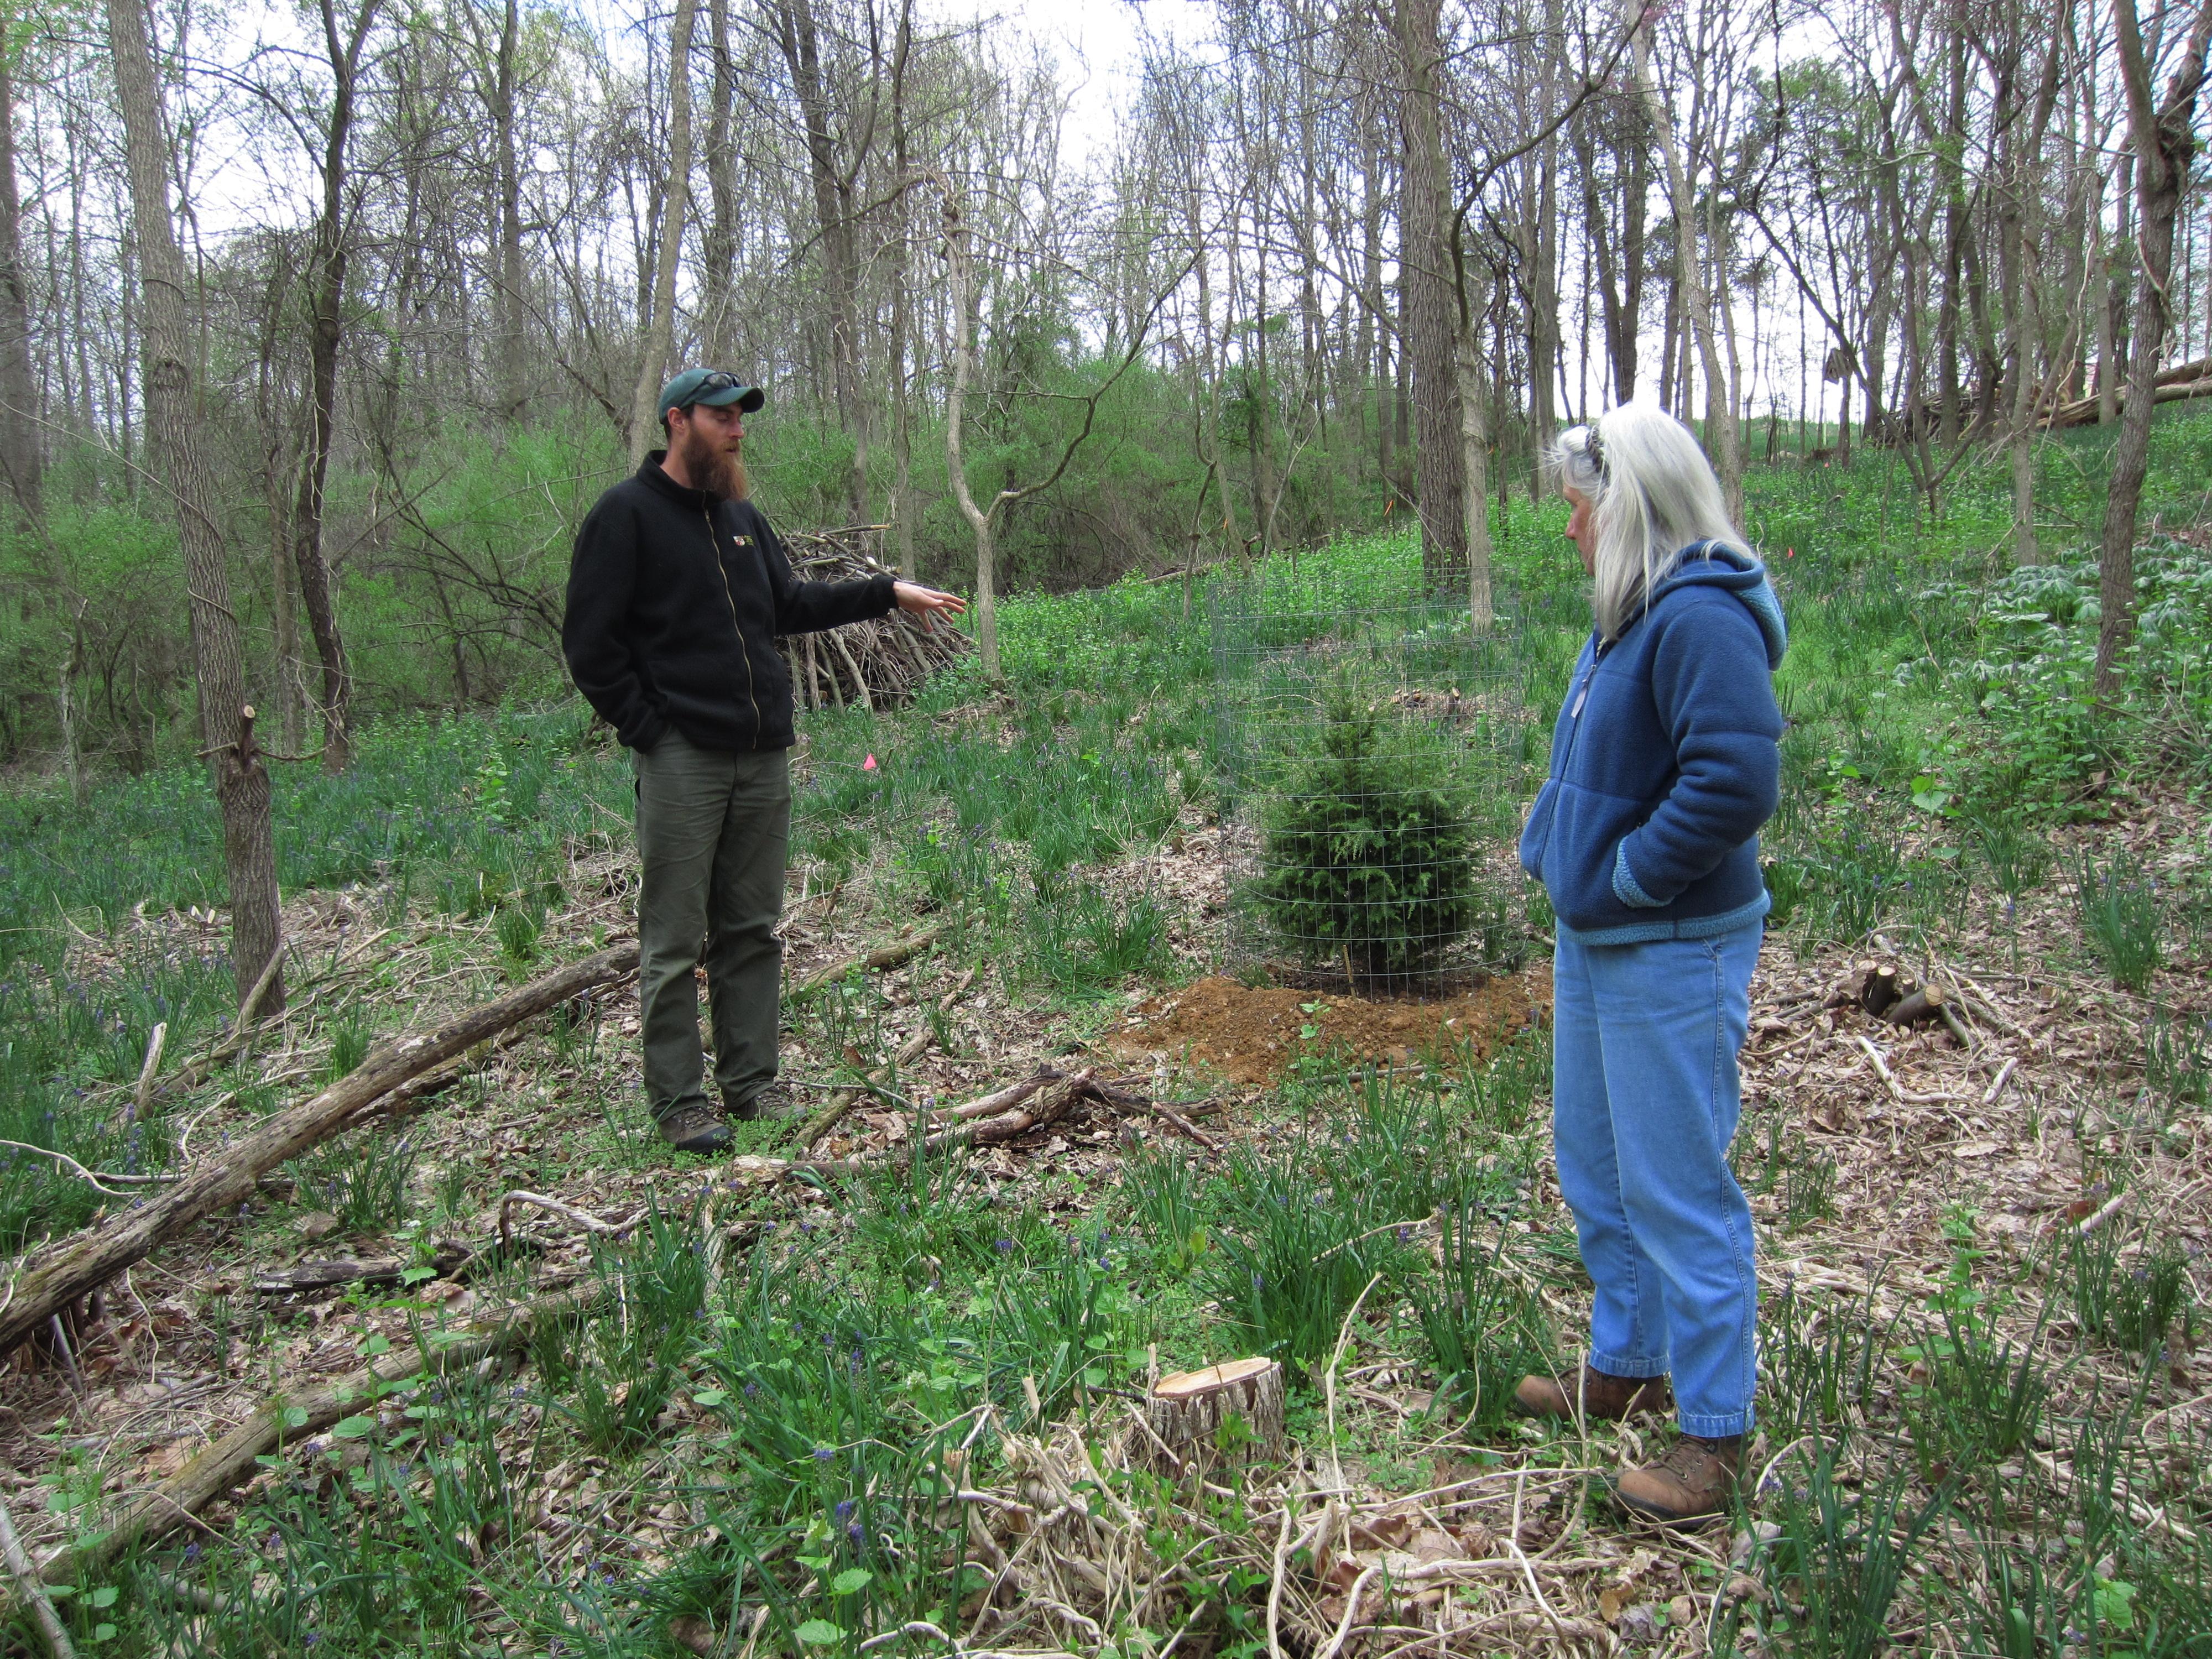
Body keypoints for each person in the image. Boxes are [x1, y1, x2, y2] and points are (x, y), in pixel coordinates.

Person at [563, 369, 966, 1154]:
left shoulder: (742, 517)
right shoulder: (625, 516)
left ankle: (751, 1087)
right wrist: (649, 728)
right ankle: (680, 1102)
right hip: (684, 758)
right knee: (675, 938)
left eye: (742, 417)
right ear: (677, 421)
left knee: (751, 929)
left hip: (762, 754)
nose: (737, 430)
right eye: (721, 418)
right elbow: (590, 645)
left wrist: (888, 592)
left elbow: (789, 606)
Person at [1512, 401, 1786, 1525]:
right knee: (1596, 1162)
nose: (1567, 530)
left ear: (1625, 505)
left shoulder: (1699, 617)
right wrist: (1557, 851)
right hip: (1600, 940)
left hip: (1667, 943)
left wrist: (1623, 877)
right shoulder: (1626, 616)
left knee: (1677, 1187)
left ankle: (1714, 1433)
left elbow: (1734, 782)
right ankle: (1627, 1359)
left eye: (1577, 508)